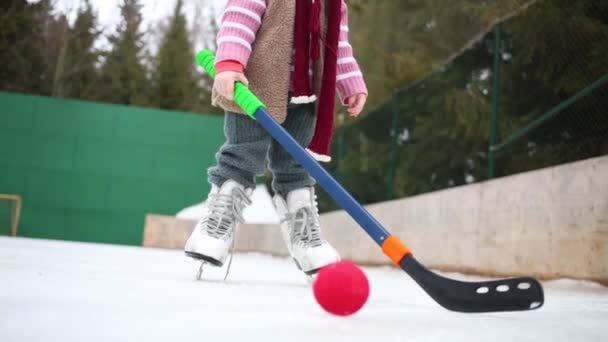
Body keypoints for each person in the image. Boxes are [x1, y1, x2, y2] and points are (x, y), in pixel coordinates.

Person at [185, 0, 368, 276]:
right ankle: (217, 223)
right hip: (253, 90)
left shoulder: (333, 4)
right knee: (241, 156)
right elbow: (239, 16)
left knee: (297, 166)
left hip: (305, 100)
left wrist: (350, 83)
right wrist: (230, 61)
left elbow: (337, 46)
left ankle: (304, 233)